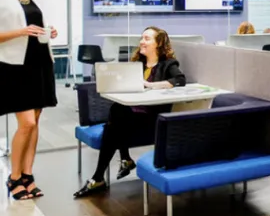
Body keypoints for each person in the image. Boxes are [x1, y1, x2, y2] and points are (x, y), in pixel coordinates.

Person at [74, 26, 186, 198]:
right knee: (116, 115)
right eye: (142, 38)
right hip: (132, 115)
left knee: (114, 122)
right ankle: (105, 173)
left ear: (159, 43)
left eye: (147, 38)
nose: (142, 42)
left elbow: (179, 80)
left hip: (151, 118)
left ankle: (110, 170)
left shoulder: (168, 64)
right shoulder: (137, 64)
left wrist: (151, 85)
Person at [0, 0, 57, 200]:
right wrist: (21, 31)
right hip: (16, 67)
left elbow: (37, 26)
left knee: (35, 122)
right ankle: (14, 177)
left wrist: (49, 31)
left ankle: (27, 175)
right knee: (27, 124)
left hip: (40, 63)